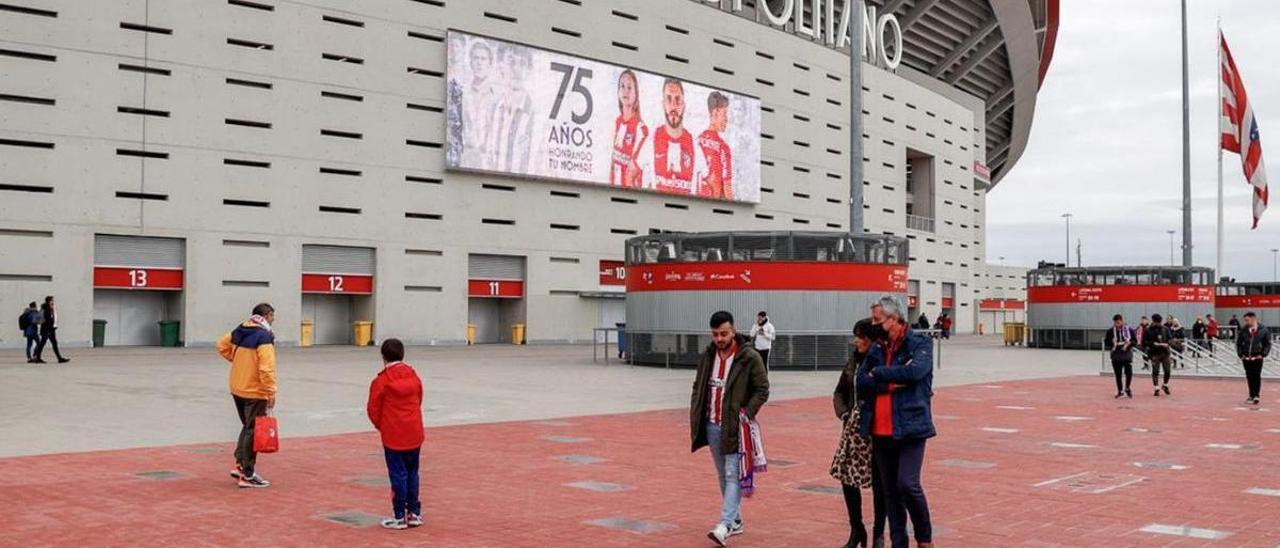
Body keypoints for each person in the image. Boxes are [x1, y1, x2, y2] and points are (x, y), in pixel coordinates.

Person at [856, 296, 935, 548]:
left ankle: (925, 539)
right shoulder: (877, 348)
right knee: (889, 492)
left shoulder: (919, 343)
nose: (874, 325)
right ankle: (898, 542)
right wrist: (889, 383)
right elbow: (861, 380)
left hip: (911, 427)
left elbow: (915, 372)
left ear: (894, 320)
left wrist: (878, 373)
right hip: (880, 430)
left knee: (907, 484)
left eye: (878, 320)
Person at [690, 310, 769, 546]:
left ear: (733, 331)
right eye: (715, 334)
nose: (719, 339)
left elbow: (762, 389)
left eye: (723, 334)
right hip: (712, 424)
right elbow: (699, 385)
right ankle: (736, 520)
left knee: (732, 473)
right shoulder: (708, 355)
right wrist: (697, 409)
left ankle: (724, 525)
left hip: (736, 425)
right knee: (722, 473)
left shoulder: (748, 357)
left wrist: (747, 412)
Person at [832, 319, 887, 548]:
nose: (857, 341)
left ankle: (878, 534)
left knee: (879, 483)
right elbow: (839, 392)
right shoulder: (853, 361)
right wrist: (844, 414)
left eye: (861, 337)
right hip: (853, 429)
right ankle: (857, 529)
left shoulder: (883, 362)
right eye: (855, 336)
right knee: (847, 478)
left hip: (877, 430)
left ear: (873, 340)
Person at [216, 303, 278, 488]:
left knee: (248, 426)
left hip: (237, 387)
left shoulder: (241, 329)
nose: (273, 320)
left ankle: (240, 464)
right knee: (253, 429)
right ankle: (247, 473)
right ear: (267, 315)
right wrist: (270, 391)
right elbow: (266, 368)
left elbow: (221, 345)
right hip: (254, 391)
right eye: (273, 316)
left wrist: (237, 361)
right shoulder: (264, 336)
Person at [367, 338, 426, 530]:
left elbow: (373, 410)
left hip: (393, 434)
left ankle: (399, 514)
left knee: (398, 474)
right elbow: (418, 399)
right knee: (412, 472)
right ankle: (414, 513)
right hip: (414, 431)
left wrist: (384, 426)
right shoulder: (414, 377)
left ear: (383, 357)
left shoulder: (381, 381)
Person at [654, 78, 694, 195]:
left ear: (684, 105)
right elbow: (631, 174)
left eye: (678, 99)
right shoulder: (651, 139)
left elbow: (711, 184)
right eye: (669, 99)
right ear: (663, 105)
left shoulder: (695, 145)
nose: (673, 105)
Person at [611, 69, 649, 189]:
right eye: (622, 86)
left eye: (629, 87)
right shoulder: (617, 122)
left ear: (636, 93)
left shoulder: (641, 129)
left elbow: (635, 170)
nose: (625, 91)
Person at [697, 91, 735, 200]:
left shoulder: (696, 140)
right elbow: (727, 188)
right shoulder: (723, 147)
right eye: (725, 113)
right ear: (715, 112)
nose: (727, 119)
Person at [1236, 312, 1272, 405]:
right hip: (1246, 357)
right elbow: (1238, 343)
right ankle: (1251, 395)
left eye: (1247, 320)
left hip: (1257, 356)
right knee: (1249, 376)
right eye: (1245, 320)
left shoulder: (1263, 330)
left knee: (1256, 376)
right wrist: (1241, 354)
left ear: (1253, 319)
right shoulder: (1243, 330)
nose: (1246, 322)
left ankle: (1256, 395)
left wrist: (1263, 354)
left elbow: (1267, 344)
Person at [1104, 314, 1135, 399]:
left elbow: (1134, 341)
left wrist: (1128, 344)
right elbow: (1106, 342)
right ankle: (1120, 390)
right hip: (1116, 355)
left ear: (1122, 321)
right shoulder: (1110, 331)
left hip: (1127, 354)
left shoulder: (1129, 330)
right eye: (1115, 323)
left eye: (1118, 322)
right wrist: (1112, 342)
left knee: (1129, 373)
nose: (1117, 324)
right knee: (1118, 374)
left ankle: (1127, 388)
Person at [34, 296, 69, 364]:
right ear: (48, 301)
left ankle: (59, 358)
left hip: (50, 329)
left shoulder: (50, 308)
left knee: (52, 344)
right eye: (52, 300)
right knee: (43, 344)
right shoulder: (47, 308)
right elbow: (47, 320)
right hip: (47, 330)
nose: (53, 302)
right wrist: (49, 330)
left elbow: (52, 319)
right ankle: (38, 358)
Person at [1145, 314, 1172, 397]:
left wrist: (1167, 344)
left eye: (1159, 322)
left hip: (1165, 352)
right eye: (1156, 322)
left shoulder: (1165, 329)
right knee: (1155, 371)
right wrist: (1153, 343)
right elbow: (1144, 342)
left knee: (1167, 370)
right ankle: (1156, 388)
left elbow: (1170, 339)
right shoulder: (1148, 330)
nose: (1157, 324)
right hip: (1154, 353)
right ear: (1153, 321)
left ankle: (1165, 385)